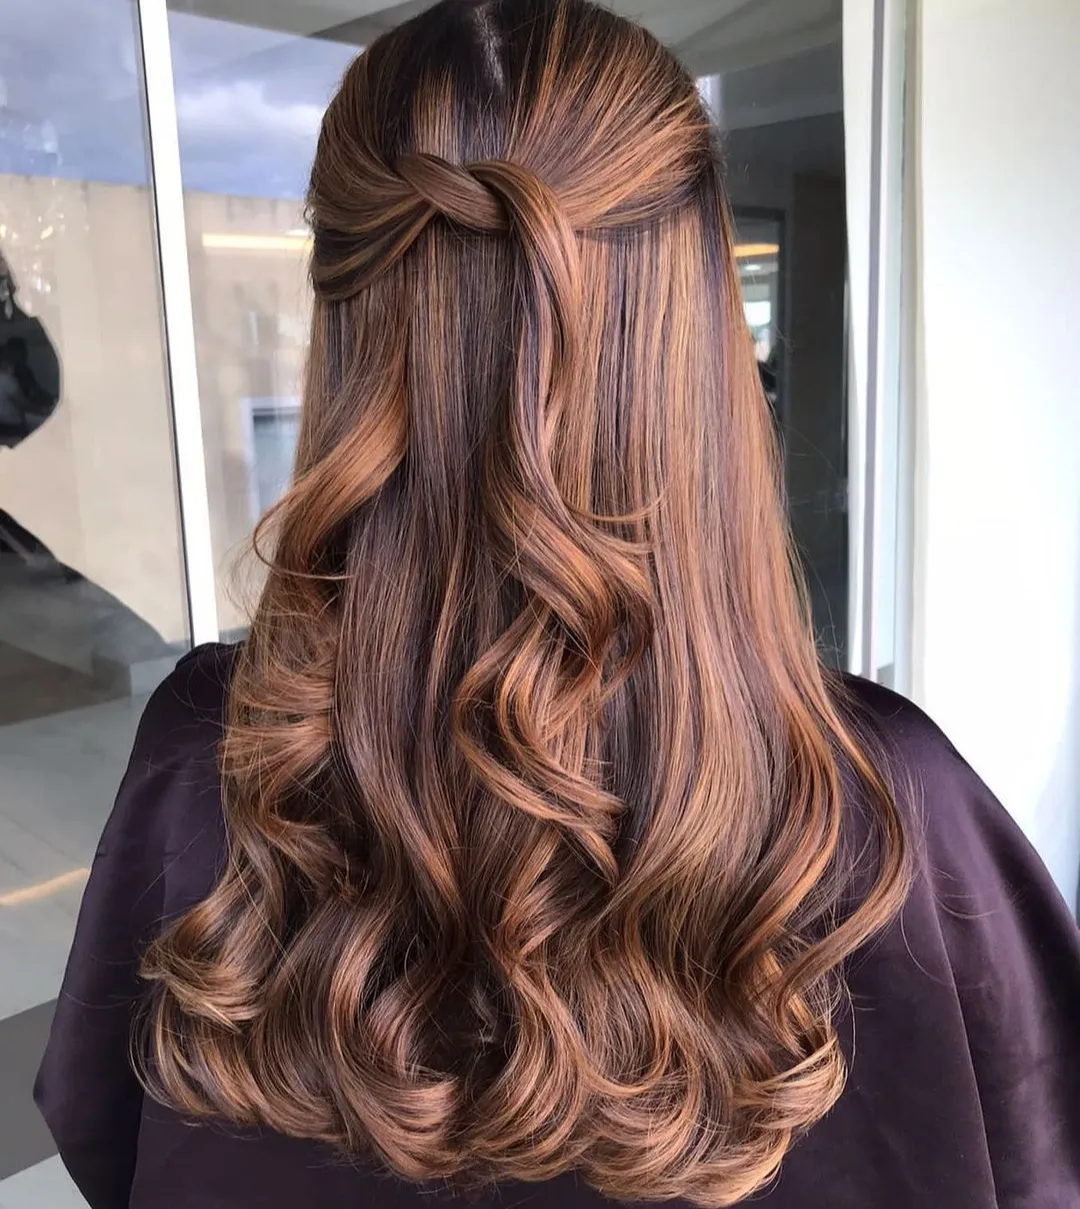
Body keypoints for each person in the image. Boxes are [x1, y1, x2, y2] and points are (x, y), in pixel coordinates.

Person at [36, 1, 1080, 1206]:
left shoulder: (215, 756)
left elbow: (107, 1142)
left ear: (344, 321)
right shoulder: (898, 811)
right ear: (692, 330)